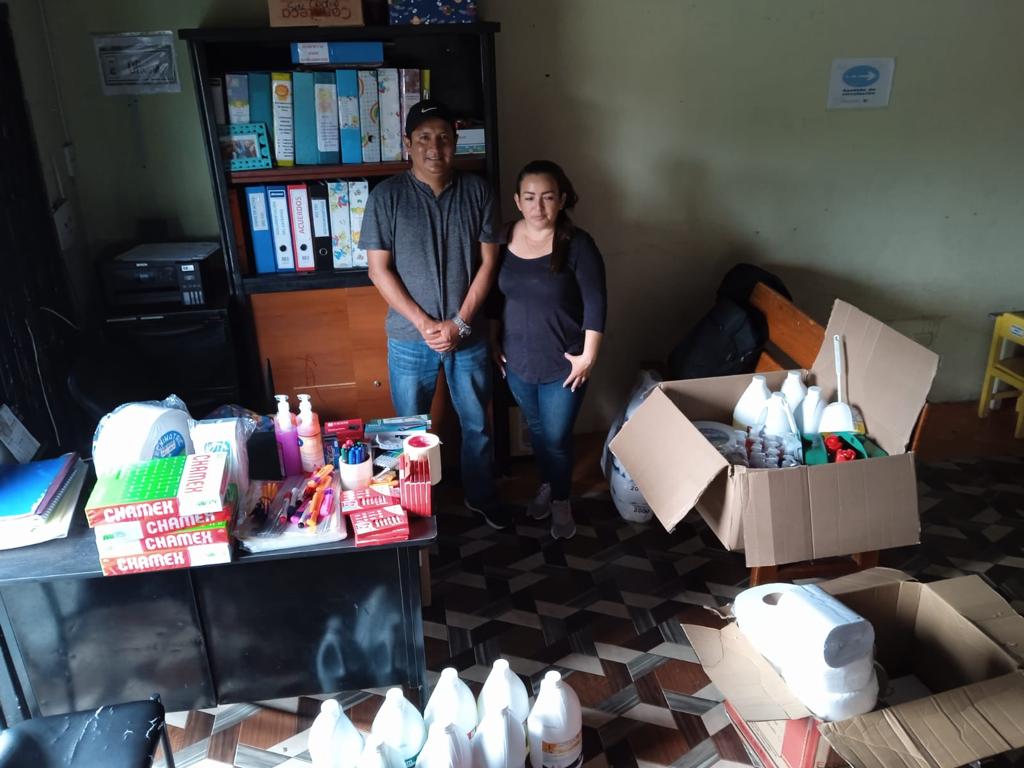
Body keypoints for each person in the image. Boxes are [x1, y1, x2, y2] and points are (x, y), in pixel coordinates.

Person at [360, 100, 511, 529]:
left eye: (443, 137)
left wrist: (461, 322)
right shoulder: (386, 197)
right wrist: (425, 323)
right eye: (424, 137)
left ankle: (481, 496)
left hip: (470, 335)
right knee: (409, 430)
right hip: (410, 338)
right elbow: (378, 270)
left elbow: (489, 263)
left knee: (477, 424)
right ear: (408, 144)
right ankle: (415, 506)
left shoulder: (478, 192)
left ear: (455, 142)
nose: (434, 147)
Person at [491, 160, 606, 539]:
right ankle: (548, 484)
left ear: (562, 200)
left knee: (556, 439)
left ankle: (560, 499)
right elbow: (495, 297)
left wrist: (588, 357)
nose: (538, 206)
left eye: (547, 197)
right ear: (517, 201)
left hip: (565, 364)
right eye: (529, 197)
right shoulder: (504, 238)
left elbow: (596, 303)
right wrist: (493, 340)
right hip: (518, 362)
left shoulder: (578, 244)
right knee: (538, 432)